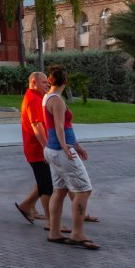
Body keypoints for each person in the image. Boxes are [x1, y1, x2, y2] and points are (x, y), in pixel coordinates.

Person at [43, 66, 100, 249]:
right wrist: (67, 147)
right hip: (61, 151)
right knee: (84, 190)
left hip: (53, 150)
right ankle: (77, 233)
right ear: (65, 82)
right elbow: (59, 127)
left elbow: (63, 127)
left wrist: (76, 145)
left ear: (50, 80)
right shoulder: (58, 101)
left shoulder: (47, 97)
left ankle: (54, 232)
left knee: (59, 191)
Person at [14, 71, 66, 234]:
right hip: (37, 150)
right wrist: (46, 148)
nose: (47, 85)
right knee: (47, 187)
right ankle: (51, 222)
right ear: (34, 83)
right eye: (44, 82)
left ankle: (26, 206)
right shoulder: (33, 100)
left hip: (37, 149)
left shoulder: (35, 97)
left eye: (47, 82)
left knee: (44, 180)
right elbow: (37, 126)